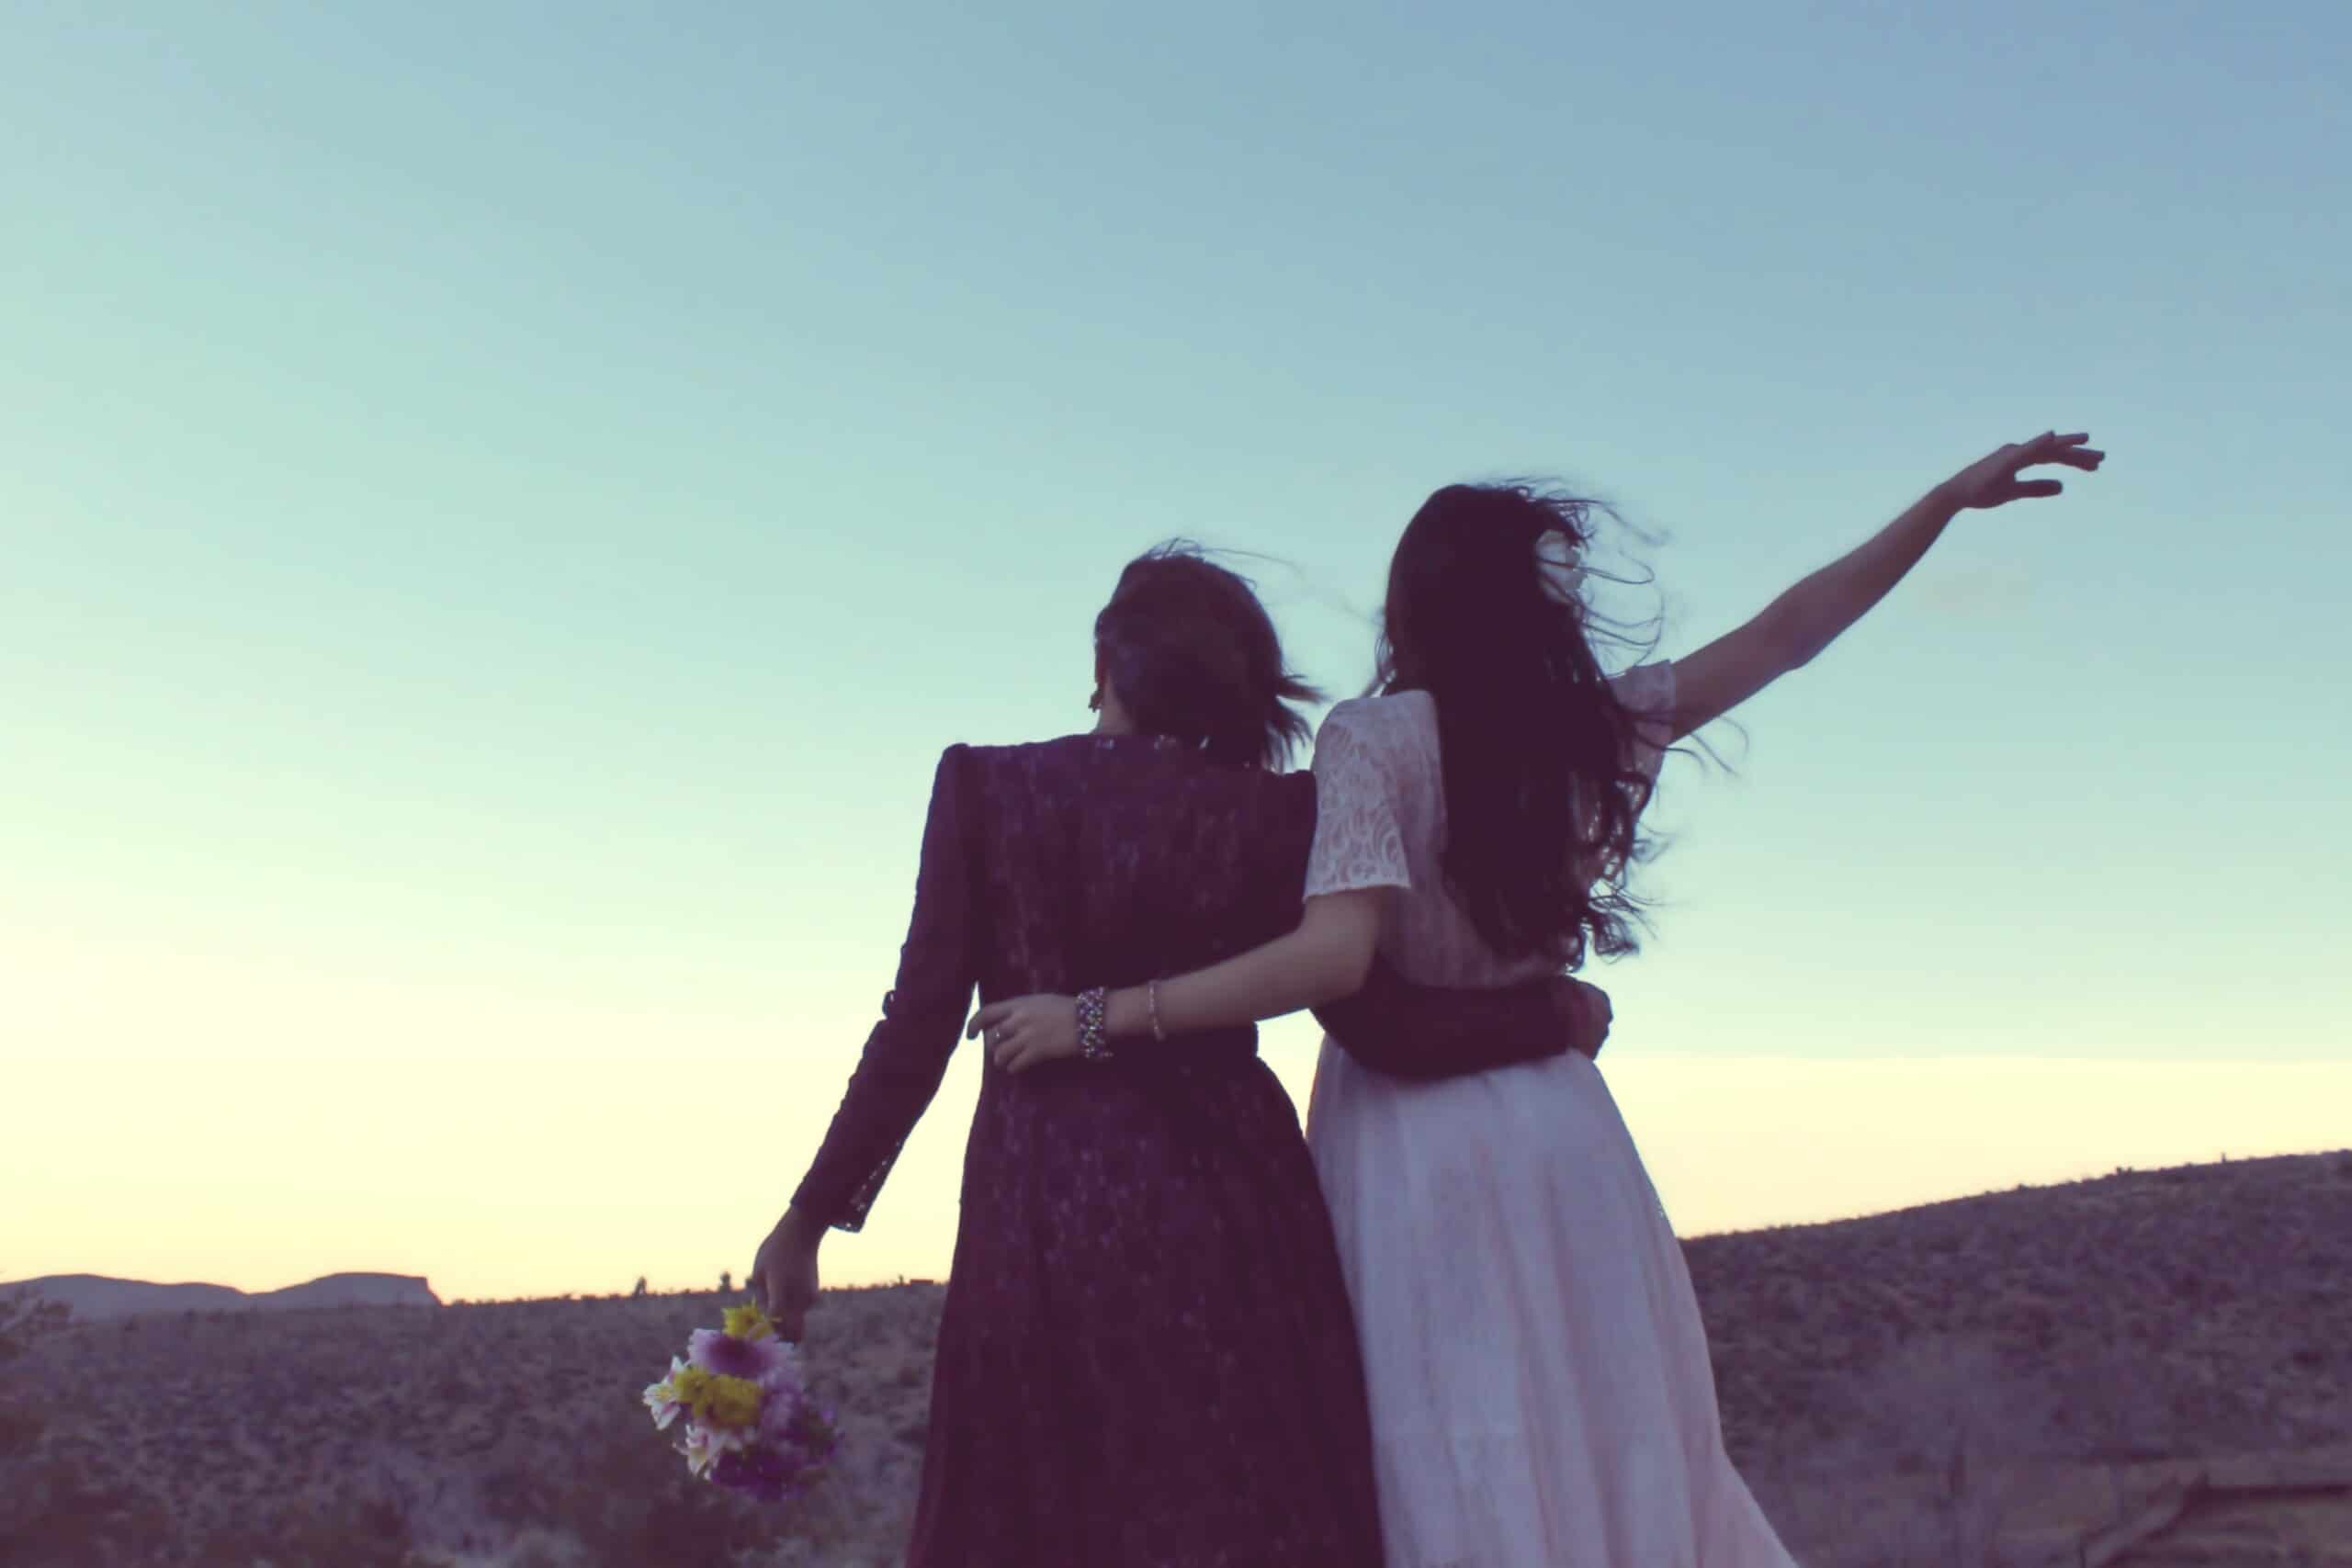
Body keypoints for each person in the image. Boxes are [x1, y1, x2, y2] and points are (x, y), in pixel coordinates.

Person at [971, 432, 2105, 1565]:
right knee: (1607, 1437)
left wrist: (1097, 1016)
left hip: (1410, 1149)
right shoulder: (1592, 732)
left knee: (1446, 1445)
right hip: (1564, 1132)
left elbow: (1333, 961)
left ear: (1409, 606)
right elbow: (1786, 635)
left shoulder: (1369, 740)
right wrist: (1941, 505)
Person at [752, 545, 1615, 1567]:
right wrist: (1548, 1014)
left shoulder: (988, 789)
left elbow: (917, 1028)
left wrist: (811, 1216)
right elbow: (1381, 1022)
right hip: (1240, 1231)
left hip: (1045, 1231)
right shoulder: (1275, 814)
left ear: (1106, 668)